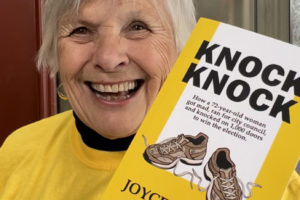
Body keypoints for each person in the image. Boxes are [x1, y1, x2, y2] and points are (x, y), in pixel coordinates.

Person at [0, 0, 298, 199]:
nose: (108, 58)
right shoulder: (17, 152)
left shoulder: (274, 186)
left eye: (138, 27)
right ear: (55, 50)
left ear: (182, 48)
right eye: (81, 30)